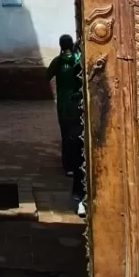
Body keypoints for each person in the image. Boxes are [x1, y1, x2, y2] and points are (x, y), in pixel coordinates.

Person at [48, 32, 86, 211]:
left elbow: (47, 76)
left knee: (66, 135)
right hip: (78, 103)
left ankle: (67, 166)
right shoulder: (78, 61)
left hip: (63, 104)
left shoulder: (57, 61)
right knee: (79, 138)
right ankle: (75, 168)